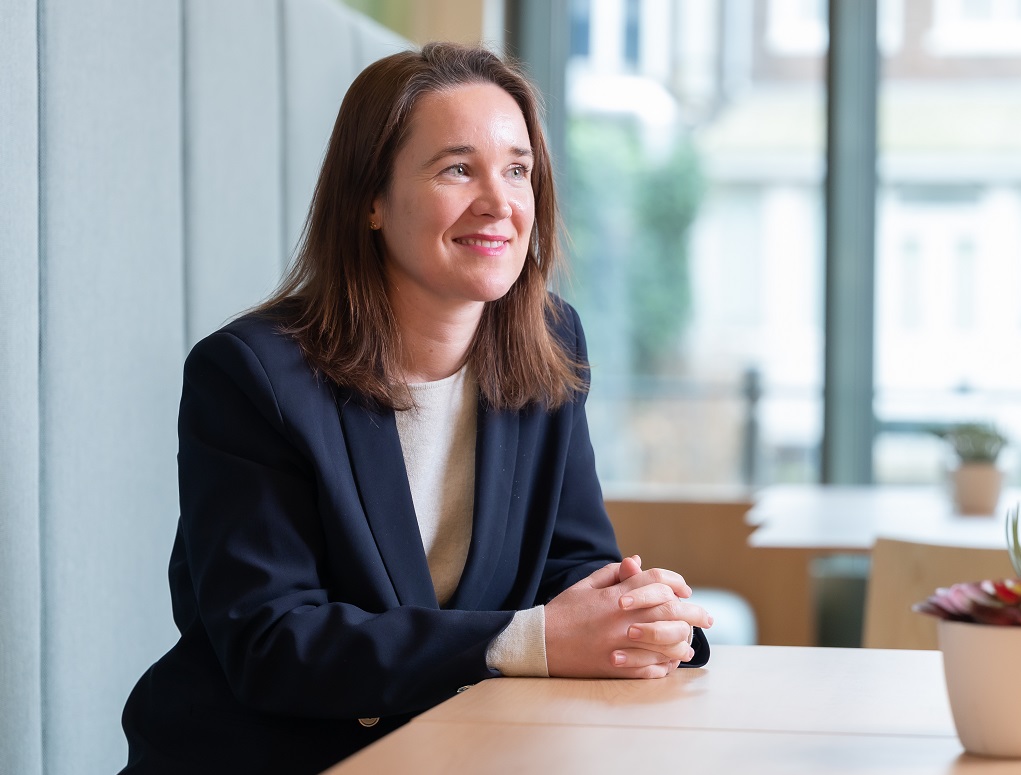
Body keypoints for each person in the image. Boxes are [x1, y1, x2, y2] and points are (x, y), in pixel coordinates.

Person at [119, 42, 712, 773]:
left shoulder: (550, 339)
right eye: (458, 168)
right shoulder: (251, 376)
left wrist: (635, 614)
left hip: (463, 754)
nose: (499, 202)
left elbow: (569, 562)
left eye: (518, 169)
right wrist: (530, 641)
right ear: (371, 198)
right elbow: (274, 644)